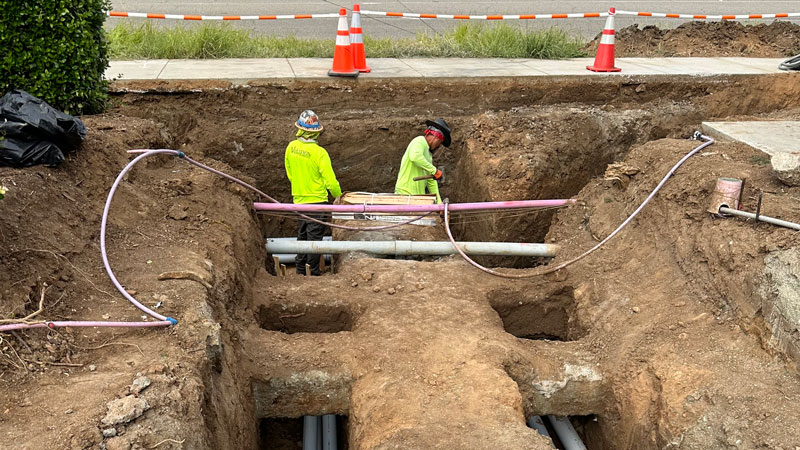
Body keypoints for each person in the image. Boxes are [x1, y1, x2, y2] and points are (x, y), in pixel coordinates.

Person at [284, 110, 342, 276]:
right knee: (314, 240)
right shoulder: (319, 153)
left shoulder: (291, 147)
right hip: (317, 202)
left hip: (299, 200)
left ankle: (301, 269)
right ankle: (313, 272)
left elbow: (290, 173)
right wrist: (339, 196)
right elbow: (331, 181)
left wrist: (300, 187)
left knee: (302, 236)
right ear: (316, 132)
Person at [394, 118, 452, 204]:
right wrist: (434, 170)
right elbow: (415, 157)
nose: (438, 146)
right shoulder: (419, 141)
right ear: (436, 137)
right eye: (439, 142)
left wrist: (439, 203)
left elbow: (431, 181)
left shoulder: (428, 155)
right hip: (404, 195)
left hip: (417, 199)